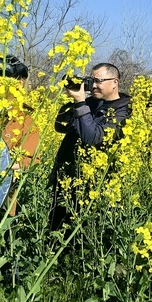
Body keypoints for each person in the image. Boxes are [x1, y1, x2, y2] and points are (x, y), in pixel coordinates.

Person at [48, 62, 134, 230]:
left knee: (82, 236)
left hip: (93, 187)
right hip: (67, 180)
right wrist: (74, 100)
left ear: (115, 82)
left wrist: (81, 104)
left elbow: (93, 137)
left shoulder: (123, 111)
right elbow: (61, 127)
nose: (93, 86)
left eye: (99, 81)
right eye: (91, 80)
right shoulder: (91, 103)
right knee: (55, 230)